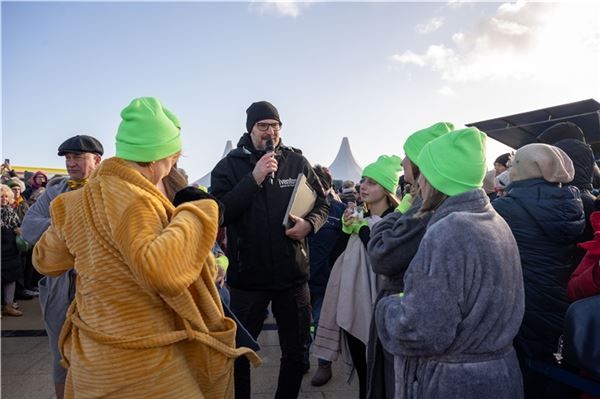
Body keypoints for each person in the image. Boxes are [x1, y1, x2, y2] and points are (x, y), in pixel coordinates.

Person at [32, 97, 259, 398]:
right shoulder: (138, 202)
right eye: (170, 159)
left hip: (90, 360)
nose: (170, 168)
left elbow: (45, 261)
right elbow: (162, 271)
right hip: (144, 365)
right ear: (154, 158)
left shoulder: (73, 203)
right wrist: (198, 212)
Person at [376, 127, 525, 398]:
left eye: (425, 174)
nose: (419, 183)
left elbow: (421, 331)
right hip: (498, 377)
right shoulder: (494, 220)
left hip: (455, 384)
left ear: (437, 179)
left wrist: (387, 307)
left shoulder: (450, 231)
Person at [210, 100, 329, 399]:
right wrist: (254, 179)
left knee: (297, 351)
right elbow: (220, 212)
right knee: (238, 352)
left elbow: (322, 204)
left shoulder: (297, 162)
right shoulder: (228, 167)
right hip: (248, 280)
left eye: (275, 126)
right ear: (250, 129)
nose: (270, 132)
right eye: (263, 126)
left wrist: (310, 225)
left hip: (293, 276)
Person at [366, 121, 453, 399]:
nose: (403, 161)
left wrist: (394, 215)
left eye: (408, 156)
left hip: (403, 319)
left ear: (421, 164)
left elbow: (381, 254)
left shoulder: (423, 209)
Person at [493, 143, 585, 399]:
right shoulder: (573, 203)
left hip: (523, 307)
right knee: (554, 374)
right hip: (559, 303)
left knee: (529, 377)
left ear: (523, 170)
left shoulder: (505, 209)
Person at [21, 134, 103, 399]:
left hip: (98, 287)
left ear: (96, 160)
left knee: (100, 357)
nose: (71, 163)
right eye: (68, 158)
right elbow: (30, 227)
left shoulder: (109, 190)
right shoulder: (56, 191)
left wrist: (60, 229)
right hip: (58, 288)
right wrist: (73, 224)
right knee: (60, 357)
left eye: (77, 157)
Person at [312, 155, 402, 398]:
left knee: (380, 373)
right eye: (364, 180)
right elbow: (337, 259)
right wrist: (345, 228)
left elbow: (381, 257)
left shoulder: (395, 222)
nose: (363, 186)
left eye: (372, 182)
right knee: (364, 372)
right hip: (353, 300)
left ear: (386, 189)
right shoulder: (359, 215)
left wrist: (361, 230)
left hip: (380, 305)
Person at [308, 165, 348, 386]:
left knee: (320, 322)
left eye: (319, 183)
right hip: (299, 278)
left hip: (326, 280)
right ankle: (301, 359)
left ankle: (324, 365)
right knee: (299, 323)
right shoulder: (298, 208)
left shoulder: (339, 210)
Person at [1, 184, 24, 316]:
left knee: (11, 279)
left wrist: (18, 231)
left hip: (11, 251)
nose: (4, 199)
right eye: (1, 196)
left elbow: (18, 226)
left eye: (6, 196)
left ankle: (8, 306)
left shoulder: (11, 211)